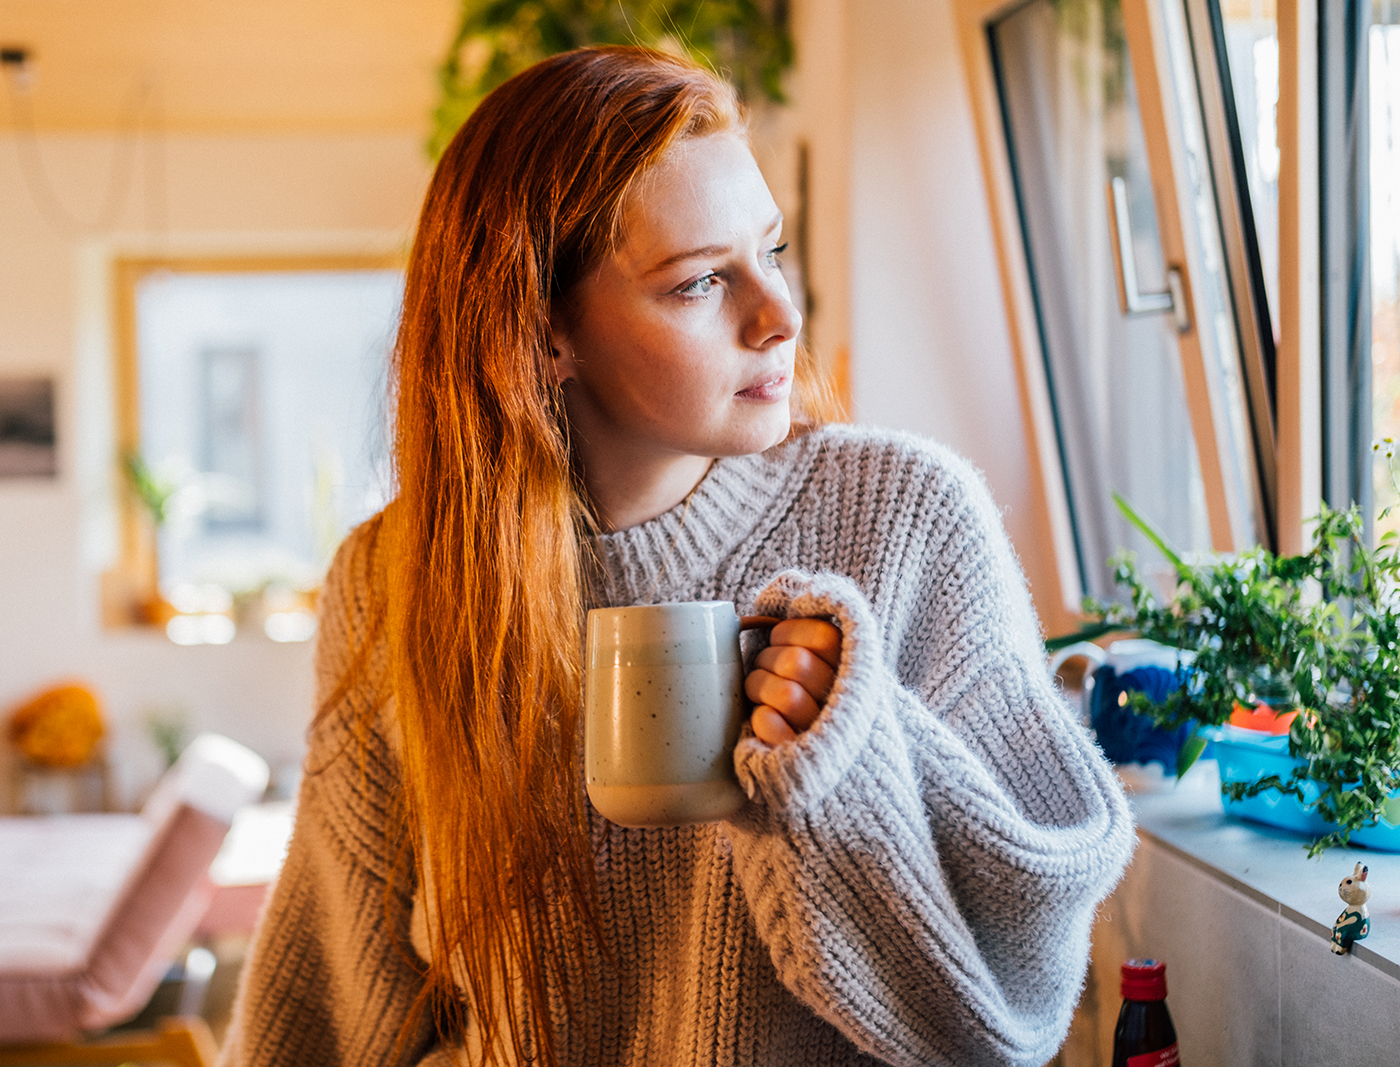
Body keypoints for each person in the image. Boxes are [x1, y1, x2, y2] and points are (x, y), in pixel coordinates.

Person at [221, 46, 1135, 1067]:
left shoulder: (906, 518)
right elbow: (337, 990)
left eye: (771, 251)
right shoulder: (394, 578)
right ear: (542, 334)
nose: (779, 314)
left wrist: (849, 746)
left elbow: (1028, 976)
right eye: (700, 281)